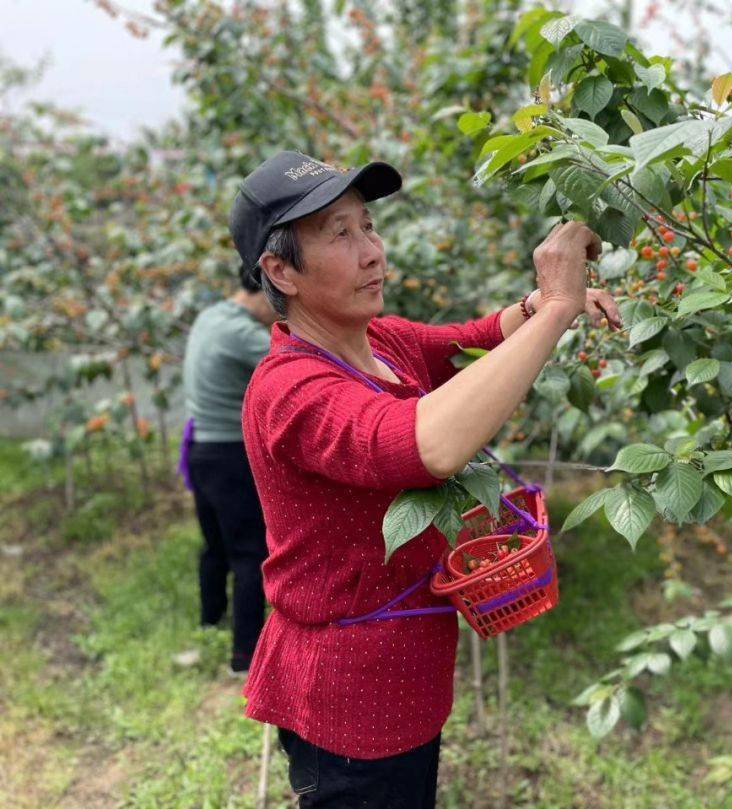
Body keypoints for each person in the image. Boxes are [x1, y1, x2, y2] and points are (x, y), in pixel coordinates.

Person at [229, 150, 621, 808]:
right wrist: (555, 307)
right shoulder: (289, 390)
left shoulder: (380, 339)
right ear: (279, 271)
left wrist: (544, 304)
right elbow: (425, 444)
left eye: (369, 226)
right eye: (340, 234)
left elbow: (478, 334)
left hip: (410, 678)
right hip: (348, 706)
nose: (373, 252)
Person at [180, 267, 277, 674]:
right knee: (250, 555)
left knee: (216, 546)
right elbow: (294, 361)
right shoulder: (244, 335)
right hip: (231, 457)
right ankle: (244, 656)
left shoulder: (212, 316)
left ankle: (210, 622)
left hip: (201, 450)